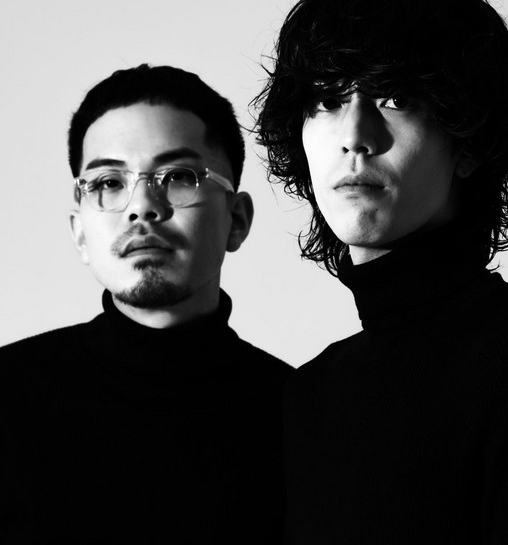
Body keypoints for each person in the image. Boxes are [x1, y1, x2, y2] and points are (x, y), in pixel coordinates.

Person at [255, 0, 508, 543]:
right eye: (327, 100)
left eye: (394, 98)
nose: (354, 136)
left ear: (468, 142)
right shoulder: (311, 393)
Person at [0, 64, 292, 544]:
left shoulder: (303, 418)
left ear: (237, 220)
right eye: (108, 183)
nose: (142, 206)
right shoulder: (4, 398)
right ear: (80, 232)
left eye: (177, 176)